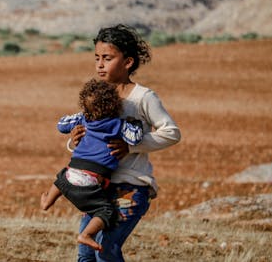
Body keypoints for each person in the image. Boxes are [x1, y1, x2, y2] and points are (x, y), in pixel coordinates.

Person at [72, 24, 181, 262]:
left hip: (131, 187)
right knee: (86, 253)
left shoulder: (143, 97)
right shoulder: (97, 96)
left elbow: (171, 132)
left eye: (107, 58)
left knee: (106, 250)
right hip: (99, 190)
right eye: (97, 58)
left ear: (128, 62)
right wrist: (75, 141)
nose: (100, 64)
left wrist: (130, 146)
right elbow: (89, 138)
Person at [40, 78, 143, 252]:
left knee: (61, 178)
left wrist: (77, 121)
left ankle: (47, 201)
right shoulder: (118, 125)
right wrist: (136, 122)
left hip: (70, 174)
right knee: (106, 212)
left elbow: (61, 125)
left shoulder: (83, 120)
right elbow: (135, 137)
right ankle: (86, 234)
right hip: (91, 179)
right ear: (115, 105)